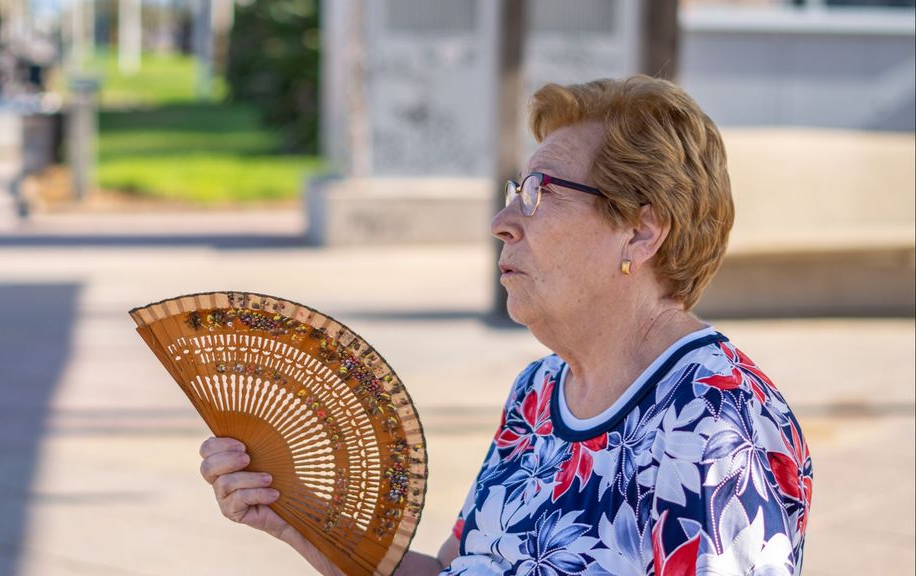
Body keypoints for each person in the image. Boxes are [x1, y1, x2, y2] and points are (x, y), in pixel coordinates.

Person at [198, 76, 813, 575]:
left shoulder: (715, 425)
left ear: (641, 230)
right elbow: (457, 569)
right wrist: (304, 519)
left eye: (539, 193)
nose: (502, 220)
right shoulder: (541, 392)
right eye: (515, 190)